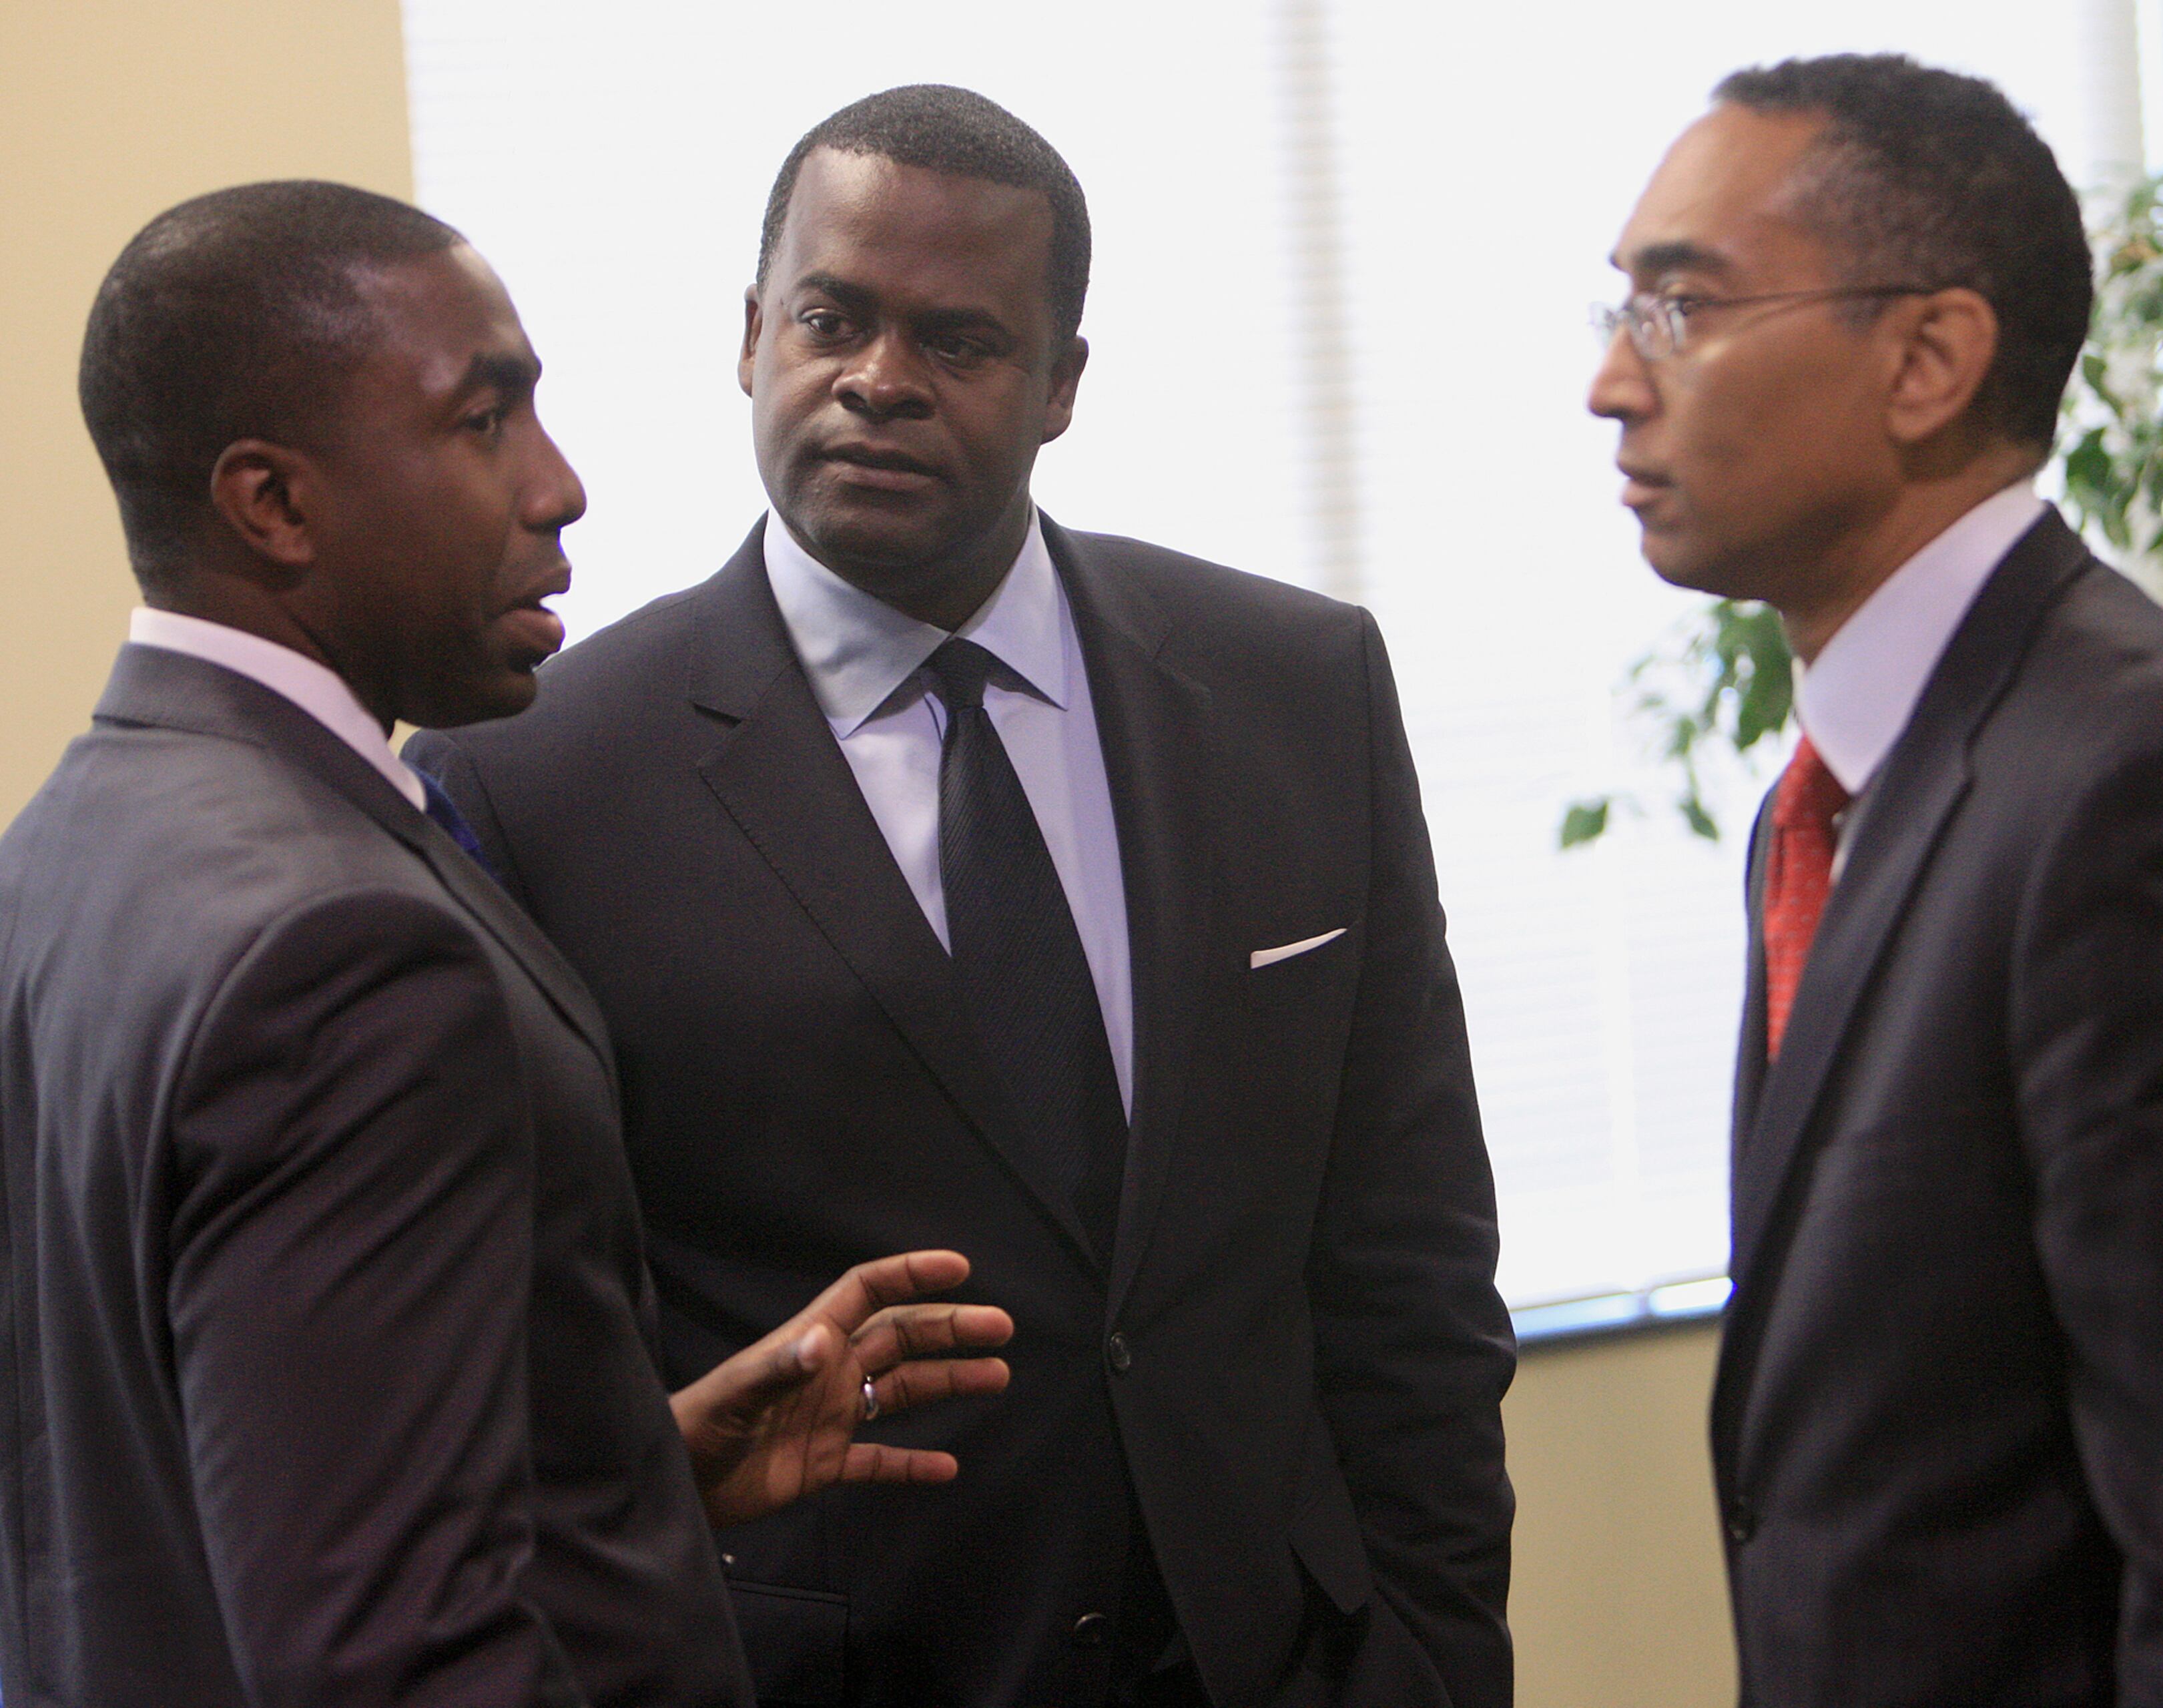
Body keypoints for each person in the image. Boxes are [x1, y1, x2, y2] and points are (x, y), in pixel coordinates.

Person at [405, 85, 1514, 1708]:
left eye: (960, 339)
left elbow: (1409, 1257)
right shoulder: (535, 778)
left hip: (1294, 1659)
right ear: (747, 337)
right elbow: (519, 1358)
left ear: (1062, 384)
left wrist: (1438, 1655)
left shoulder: (1298, 686)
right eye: (830, 318)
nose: (877, 380)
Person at [0, 180, 1014, 1708]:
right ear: (272, 503)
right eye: (485, 424)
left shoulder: (69, 845)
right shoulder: (346, 957)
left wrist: (623, 1474)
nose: (560, 487)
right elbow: (392, 1659)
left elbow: (204, 1485)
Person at [1586, 53, 2163, 1708]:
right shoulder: (1845, 795)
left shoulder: (2157, 795)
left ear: (1929, 356)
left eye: (1680, 308)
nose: (1610, 384)